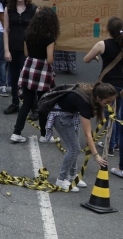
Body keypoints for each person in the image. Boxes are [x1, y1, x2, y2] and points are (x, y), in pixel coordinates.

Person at [42, 83, 118, 192]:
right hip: (61, 117)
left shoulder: (92, 96)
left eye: (112, 101)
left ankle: (72, 175)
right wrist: (96, 156)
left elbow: (89, 131)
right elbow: (87, 134)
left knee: (74, 147)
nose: (110, 104)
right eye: (107, 102)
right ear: (98, 98)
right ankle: (61, 179)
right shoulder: (85, 103)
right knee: (74, 149)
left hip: (71, 115)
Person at [10, 8, 58, 144]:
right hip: (42, 69)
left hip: (29, 66)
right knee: (44, 104)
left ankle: (16, 132)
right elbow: (49, 59)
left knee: (27, 103)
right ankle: (44, 135)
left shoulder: (28, 34)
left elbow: (26, 53)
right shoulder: (49, 37)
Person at [82, 16, 123, 176]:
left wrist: (97, 56)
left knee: (110, 116)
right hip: (121, 88)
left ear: (108, 30)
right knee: (119, 117)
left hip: (107, 86)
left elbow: (86, 59)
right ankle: (116, 144)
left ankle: (110, 146)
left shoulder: (102, 44)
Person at [2, 0, 38, 115]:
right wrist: (6, 50)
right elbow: (6, 31)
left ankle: (34, 107)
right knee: (14, 76)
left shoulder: (33, 9)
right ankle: (15, 102)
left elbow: (36, 31)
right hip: (13, 46)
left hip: (28, 49)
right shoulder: (9, 9)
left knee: (28, 78)